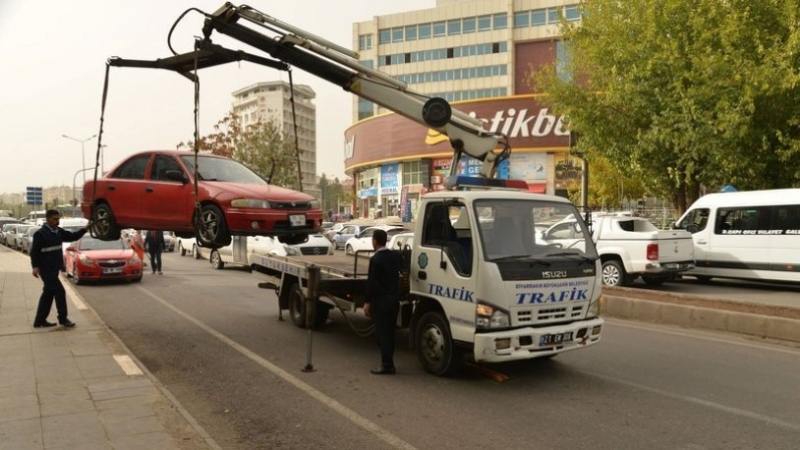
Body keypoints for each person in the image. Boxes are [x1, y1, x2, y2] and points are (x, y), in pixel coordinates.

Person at [30, 209, 91, 328]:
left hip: (54, 268)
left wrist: (85, 229)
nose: (57, 221)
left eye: (58, 219)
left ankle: (39, 320)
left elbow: (73, 236)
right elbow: (34, 252)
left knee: (48, 293)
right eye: (54, 219)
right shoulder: (40, 234)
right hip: (45, 269)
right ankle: (63, 319)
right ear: (48, 219)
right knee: (60, 291)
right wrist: (35, 267)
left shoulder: (58, 231)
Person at [363, 229, 403, 375]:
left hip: (381, 301)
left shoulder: (376, 259)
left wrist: (367, 302)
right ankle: (389, 361)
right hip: (394, 299)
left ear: (374, 241)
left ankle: (387, 364)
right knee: (390, 332)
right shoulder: (395, 256)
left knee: (381, 334)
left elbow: (371, 283)